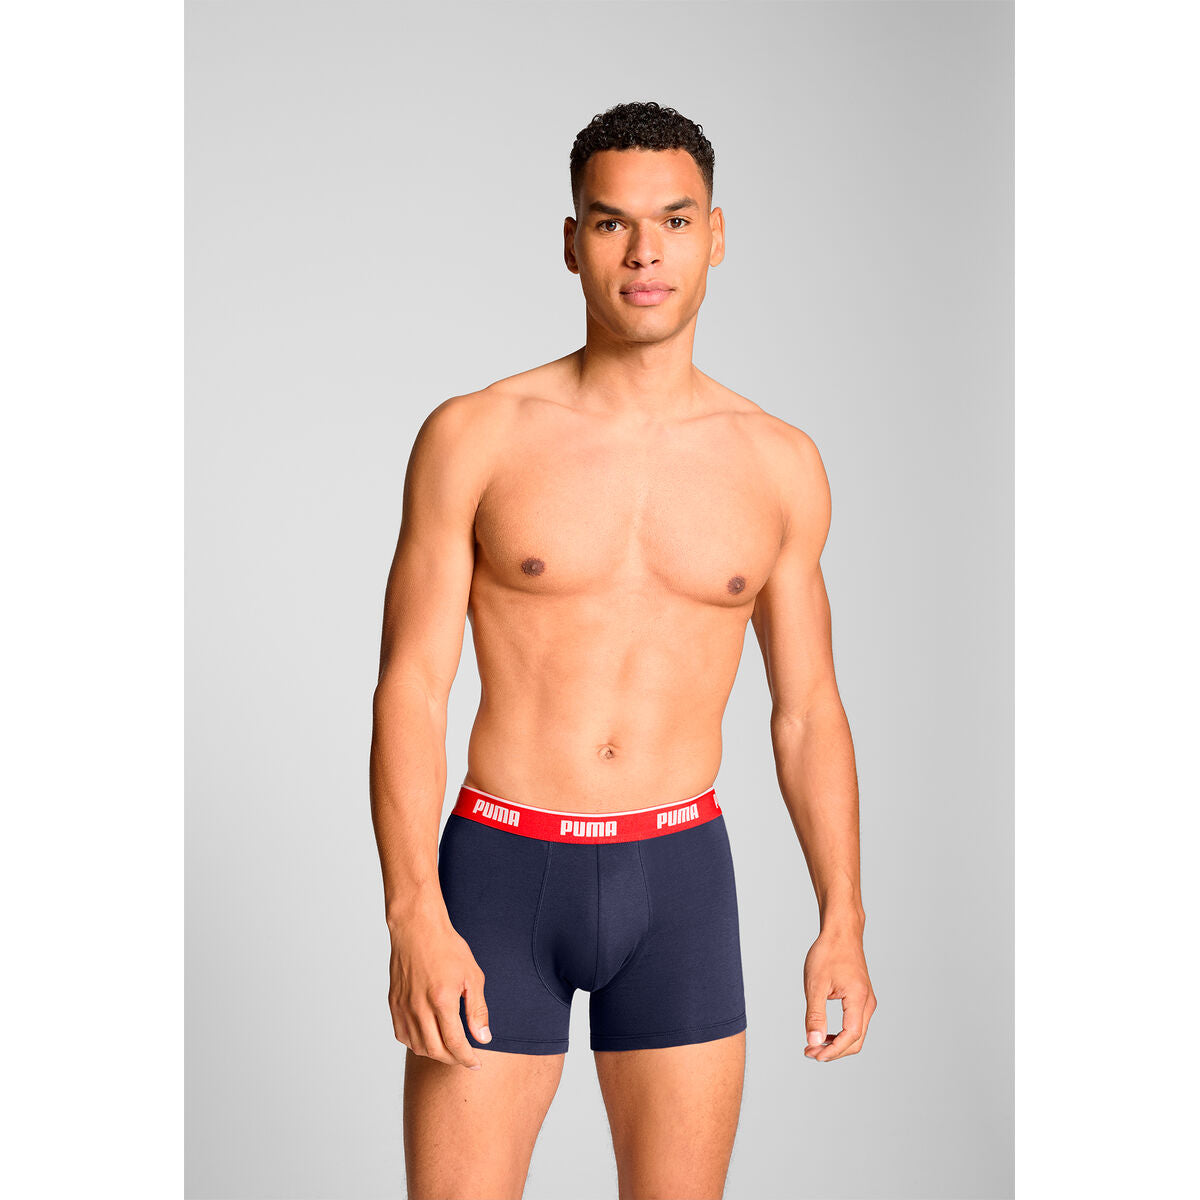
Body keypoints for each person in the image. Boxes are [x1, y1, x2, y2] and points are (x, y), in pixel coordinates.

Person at [369, 100, 876, 1200]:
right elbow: (411, 686)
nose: (645, 252)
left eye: (675, 221)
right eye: (611, 223)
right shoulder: (477, 434)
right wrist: (414, 909)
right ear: (572, 242)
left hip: (678, 878)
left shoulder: (779, 464)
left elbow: (807, 710)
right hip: (500, 872)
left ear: (715, 236)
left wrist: (842, 914)